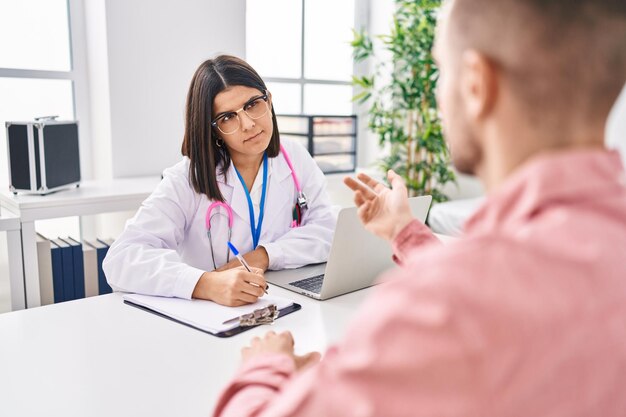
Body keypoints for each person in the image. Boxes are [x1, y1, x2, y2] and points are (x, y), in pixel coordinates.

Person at [213, 0, 626, 415]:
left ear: (476, 85)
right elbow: (511, 290)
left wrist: (264, 368)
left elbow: (470, 299)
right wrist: (404, 232)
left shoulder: (442, 302)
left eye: (440, 71)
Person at [103, 55, 335, 306]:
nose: (248, 124)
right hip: (209, 316)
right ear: (213, 129)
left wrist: (265, 255)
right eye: (227, 118)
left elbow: (328, 228)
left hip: (279, 305)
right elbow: (121, 259)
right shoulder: (188, 178)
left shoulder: (294, 157)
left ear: (269, 100)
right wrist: (205, 284)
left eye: (253, 104)